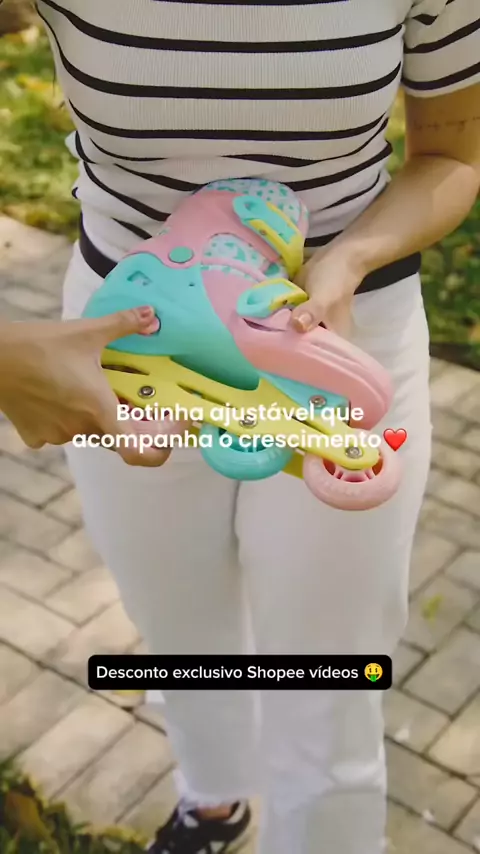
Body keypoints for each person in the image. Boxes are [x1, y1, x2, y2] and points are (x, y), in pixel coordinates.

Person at [0, 1, 479, 852]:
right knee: (174, 618)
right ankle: (213, 802)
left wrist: (349, 257)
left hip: (335, 338)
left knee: (326, 677)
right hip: (124, 350)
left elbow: (452, 154)